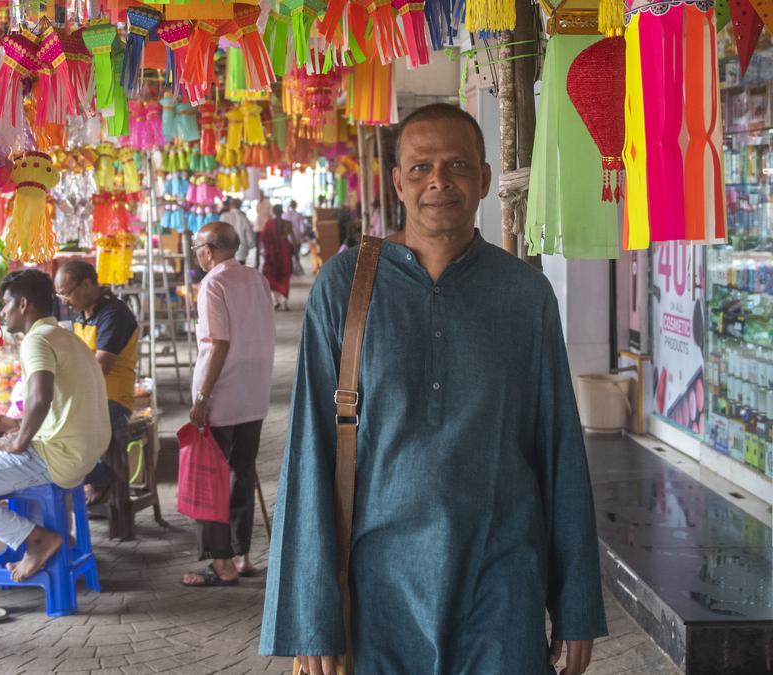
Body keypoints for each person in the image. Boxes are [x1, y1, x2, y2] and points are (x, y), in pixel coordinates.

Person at [260, 103, 607, 675]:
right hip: (378, 590)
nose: (439, 181)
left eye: (457, 166)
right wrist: (311, 616)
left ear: (486, 179)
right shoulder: (343, 287)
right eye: (420, 168)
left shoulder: (525, 294)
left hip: (502, 584)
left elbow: (560, 452)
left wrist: (576, 606)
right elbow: (309, 456)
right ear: (397, 181)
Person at [0, 270, 110, 589]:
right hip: (82, 455)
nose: (2, 312)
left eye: (6, 304)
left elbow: (41, 397)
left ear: (24, 305)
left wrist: (19, 440)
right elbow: (57, 404)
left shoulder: (37, 340)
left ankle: (37, 539)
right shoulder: (67, 338)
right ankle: (46, 533)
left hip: (55, 457)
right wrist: (17, 428)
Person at [182, 221, 275, 587]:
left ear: (208, 250)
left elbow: (217, 343)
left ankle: (221, 564)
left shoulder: (213, 284)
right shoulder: (256, 278)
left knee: (209, 477)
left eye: (196, 249)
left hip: (222, 391)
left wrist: (203, 396)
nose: (196, 256)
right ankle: (241, 555)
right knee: (242, 475)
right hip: (253, 392)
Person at [54, 259, 140, 507]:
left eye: (67, 293)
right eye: (60, 295)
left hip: (112, 399)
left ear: (88, 284)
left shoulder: (114, 313)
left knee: (65, 442)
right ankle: (95, 476)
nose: (64, 301)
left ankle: (107, 477)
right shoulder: (81, 311)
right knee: (52, 435)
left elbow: (100, 365)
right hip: (86, 396)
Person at [259, 204, 296, 310]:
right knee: (285, 276)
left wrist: (263, 251)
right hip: (285, 251)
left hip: (272, 253)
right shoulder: (287, 224)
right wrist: (296, 253)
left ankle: (276, 300)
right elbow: (293, 239)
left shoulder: (269, 223)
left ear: (274, 212)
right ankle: (284, 302)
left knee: (272, 276)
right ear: (282, 211)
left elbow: (263, 238)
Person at [219, 198, 256, 266]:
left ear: (230, 205)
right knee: (240, 273)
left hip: (226, 251)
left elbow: (220, 234)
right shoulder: (244, 218)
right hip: (241, 251)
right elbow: (249, 236)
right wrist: (249, 247)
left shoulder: (224, 216)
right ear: (240, 206)